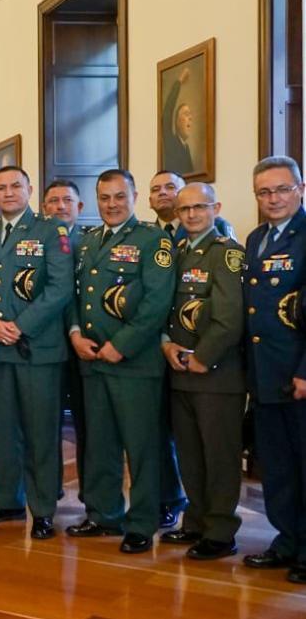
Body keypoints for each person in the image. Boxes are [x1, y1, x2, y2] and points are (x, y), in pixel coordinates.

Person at [66, 169, 174, 554]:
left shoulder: (152, 240)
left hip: (134, 364)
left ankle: (142, 521)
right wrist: (76, 333)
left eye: (119, 197)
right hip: (92, 360)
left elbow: (157, 302)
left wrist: (122, 345)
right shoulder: (88, 241)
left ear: (134, 197)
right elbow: (75, 296)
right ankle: (102, 513)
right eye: (105, 198)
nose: (112, 205)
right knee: (100, 443)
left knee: (141, 446)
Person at [0, 166, 73, 540]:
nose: (8, 192)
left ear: (29, 190)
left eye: (15, 186)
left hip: (36, 347)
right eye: (0, 187)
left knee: (41, 432)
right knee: (2, 431)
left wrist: (20, 325)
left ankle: (42, 508)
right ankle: (8, 500)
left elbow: (59, 288)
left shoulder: (50, 230)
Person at [158, 182, 244, 561]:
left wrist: (202, 356)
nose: (191, 215)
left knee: (219, 455)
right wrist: (166, 344)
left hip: (216, 375)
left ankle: (222, 531)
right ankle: (194, 520)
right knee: (190, 454)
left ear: (216, 208)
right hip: (179, 369)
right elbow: (163, 307)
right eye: (184, 209)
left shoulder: (226, 255)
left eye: (199, 207)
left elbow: (230, 318)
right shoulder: (175, 254)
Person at [242, 156, 306, 584]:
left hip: (298, 374)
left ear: (300, 189)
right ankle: (287, 540)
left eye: (281, 189)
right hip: (264, 373)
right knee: (278, 467)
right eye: (264, 192)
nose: (273, 198)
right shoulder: (255, 238)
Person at [41, 179, 91, 511]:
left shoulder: (92, 243)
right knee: (46, 422)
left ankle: (93, 494)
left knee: (89, 424)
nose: (60, 206)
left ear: (80, 206)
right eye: (54, 201)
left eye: (67, 201)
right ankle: (49, 488)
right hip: (47, 345)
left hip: (87, 347)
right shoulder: (35, 241)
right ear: (44, 208)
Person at [146, 169, 192, 528]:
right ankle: (168, 497)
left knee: (193, 433)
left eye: (170, 188)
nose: (163, 194)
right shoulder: (149, 238)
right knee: (158, 430)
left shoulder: (212, 230)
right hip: (154, 347)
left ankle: (202, 508)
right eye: (156, 190)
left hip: (193, 349)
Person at [161, 66, 196, 175]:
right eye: (186, 114)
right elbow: (167, 114)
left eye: (190, 115)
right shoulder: (171, 141)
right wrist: (179, 82)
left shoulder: (186, 148)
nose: (190, 118)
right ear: (176, 121)